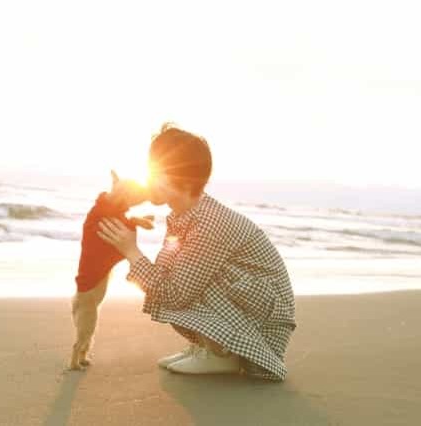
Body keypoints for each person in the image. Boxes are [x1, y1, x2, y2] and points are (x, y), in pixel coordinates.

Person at [96, 124, 296, 381]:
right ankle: (209, 345)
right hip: (252, 304)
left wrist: (131, 251)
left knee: (183, 282)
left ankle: (221, 353)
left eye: (157, 172)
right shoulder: (185, 215)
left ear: (183, 179)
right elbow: (164, 276)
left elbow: (175, 294)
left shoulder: (209, 222)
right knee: (178, 273)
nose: (148, 180)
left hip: (266, 326)